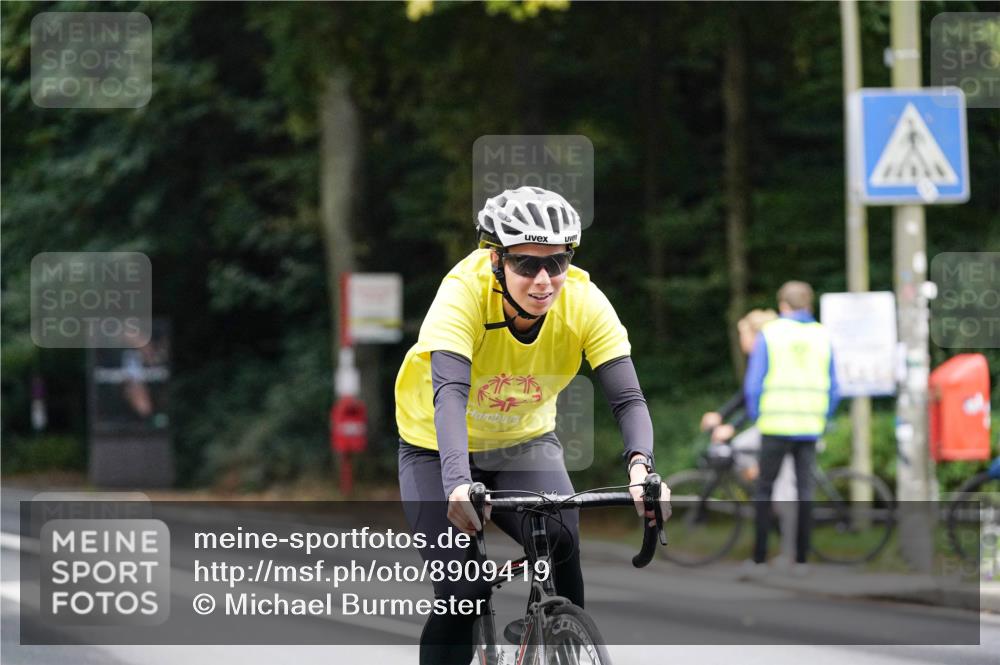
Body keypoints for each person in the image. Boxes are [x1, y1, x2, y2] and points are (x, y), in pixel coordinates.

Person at [395, 186, 670, 665]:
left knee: (563, 540)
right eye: (526, 264)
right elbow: (450, 394)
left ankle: (562, 637)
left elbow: (627, 398)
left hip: (523, 440)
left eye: (557, 263)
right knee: (463, 589)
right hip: (435, 446)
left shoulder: (584, 302)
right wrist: (458, 484)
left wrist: (642, 469)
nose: (544, 279)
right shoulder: (461, 293)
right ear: (497, 260)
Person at [743, 281, 839, 576]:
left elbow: (754, 384)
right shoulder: (823, 335)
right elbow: (835, 387)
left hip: (774, 423)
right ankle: (801, 561)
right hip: (809, 425)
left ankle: (759, 559)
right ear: (809, 304)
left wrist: (757, 415)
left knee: (764, 491)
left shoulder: (771, 333)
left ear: (783, 304)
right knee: (804, 492)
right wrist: (823, 417)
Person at [701, 309, 799, 567]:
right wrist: (721, 416)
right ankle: (755, 472)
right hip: (770, 427)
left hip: (784, 427)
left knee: (783, 492)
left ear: (756, 335)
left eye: (743, 333)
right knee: (743, 452)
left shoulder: (771, 353)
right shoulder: (760, 356)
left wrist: (731, 426)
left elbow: (754, 396)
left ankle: (790, 555)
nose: (740, 339)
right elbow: (746, 395)